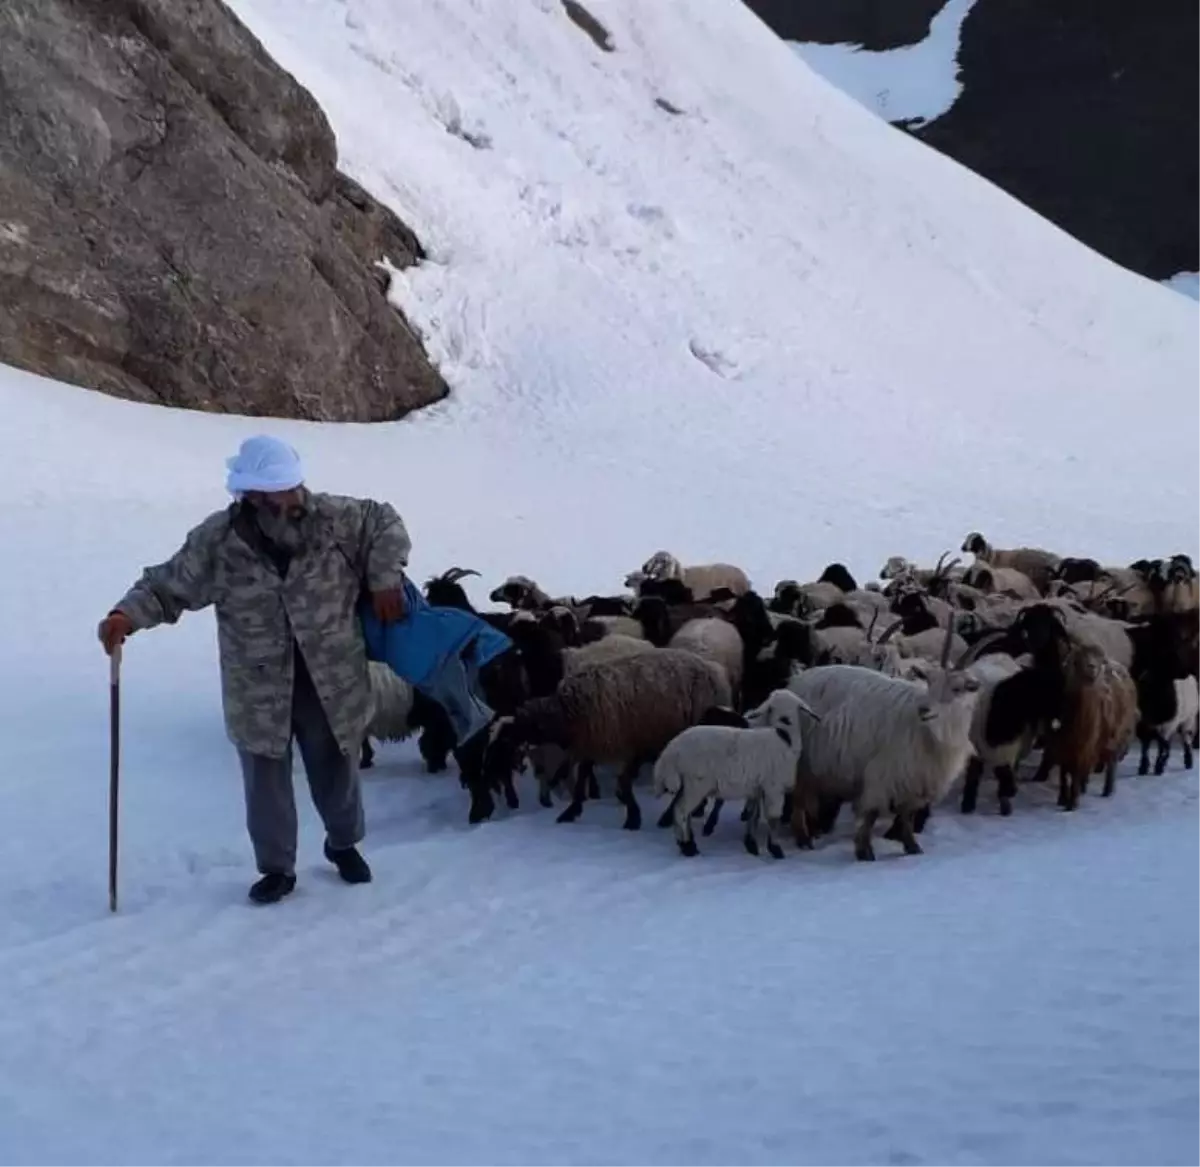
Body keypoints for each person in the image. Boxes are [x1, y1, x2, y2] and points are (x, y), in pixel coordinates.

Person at [97, 435, 411, 905]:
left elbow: (387, 522)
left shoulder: (338, 520)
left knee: (337, 765)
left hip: (330, 675)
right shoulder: (220, 540)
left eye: (283, 489)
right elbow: (168, 585)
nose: (276, 499)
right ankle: (277, 868)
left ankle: (344, 844)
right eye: (264, 492)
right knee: (265, 777)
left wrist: (385, 577)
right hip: (258, 684)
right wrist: (127, 616)